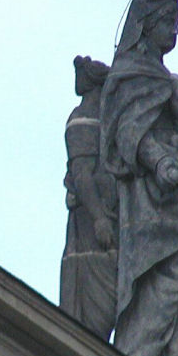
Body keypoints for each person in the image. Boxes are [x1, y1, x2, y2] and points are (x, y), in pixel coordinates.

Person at [99, 0, 178, 356]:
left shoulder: (169, 79)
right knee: (159, 281)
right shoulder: (130, 75)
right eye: (168, 22)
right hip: (150, 203)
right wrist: (161, 160)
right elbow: (128, 131)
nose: (175, 31)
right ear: (145, 26)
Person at [60, 56, 118, 339]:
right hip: (92, 228)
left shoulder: (106, 122)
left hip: (110, 220)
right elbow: (82, 175)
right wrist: (100, 220)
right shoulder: (82, 121)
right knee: (97, 311)